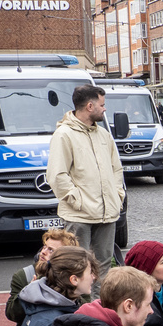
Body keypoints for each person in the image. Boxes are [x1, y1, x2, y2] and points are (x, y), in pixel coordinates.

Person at [48, 84, 124, 272]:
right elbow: (57, 175)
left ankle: (100, 303)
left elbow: (116, 169)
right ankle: (82, 303)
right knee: (78, 267)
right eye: (102, 104)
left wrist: (117, 196)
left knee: (104, 265)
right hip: (79, 215)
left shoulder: (104, 135)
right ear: (90, 106)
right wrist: (78, 201)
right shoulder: (64, 134)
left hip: (107, 214)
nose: (105, 109)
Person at [6, 227, 81, 326]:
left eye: (51, 250)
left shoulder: (75, 277)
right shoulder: (25, 275)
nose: (43, 252)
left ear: (65, 257)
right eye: (44, 247)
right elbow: (12, 314)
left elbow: (83, 311)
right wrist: (27, 294)